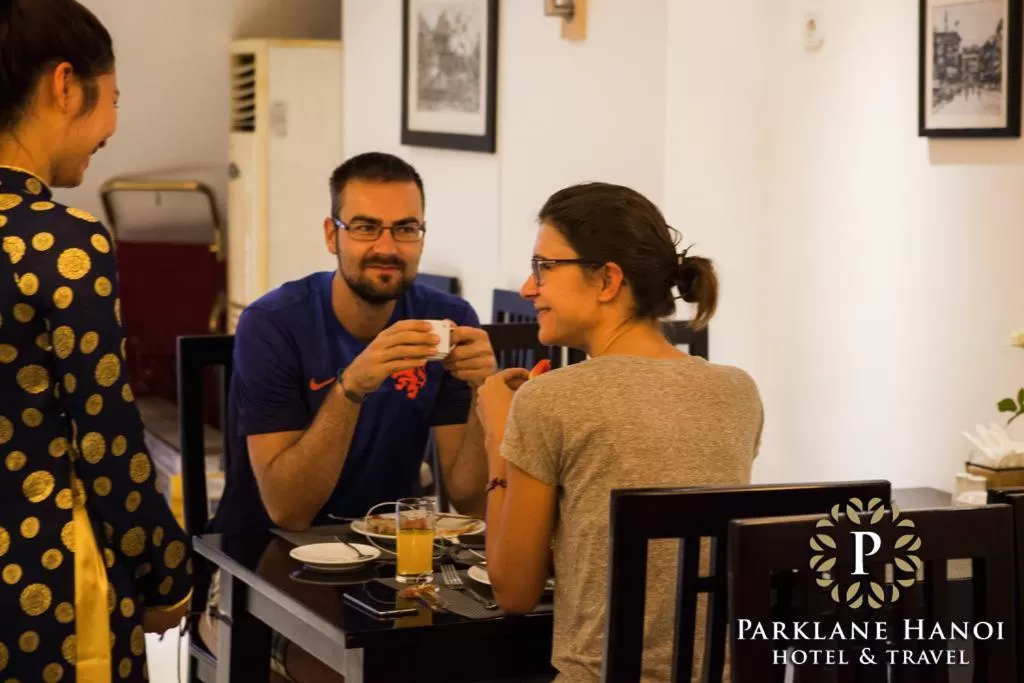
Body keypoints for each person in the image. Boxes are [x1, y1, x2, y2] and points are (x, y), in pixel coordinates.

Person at [202, 152, 496, 681]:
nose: (386, 247)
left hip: (388, 568)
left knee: (475, 659)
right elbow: (288, 511)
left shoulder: (448, 320)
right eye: (364, 227)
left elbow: (471, 495)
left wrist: (483, 393)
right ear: (331, 234)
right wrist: (351, 388)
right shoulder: (274, 324)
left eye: (405, 228)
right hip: (258, 573)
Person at [476, 182, 764, 682]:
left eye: (544, 266)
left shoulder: (548, 401)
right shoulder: (739, 392)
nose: (528, 287)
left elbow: (514, 591)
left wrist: (500, 437)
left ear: (607, 279)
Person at [0, 1, 193, 680]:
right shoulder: (61, 243)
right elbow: (106, 438)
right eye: (114, 96)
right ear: (64, 85)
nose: (112, 124)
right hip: (38, 578)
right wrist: (166, 573)